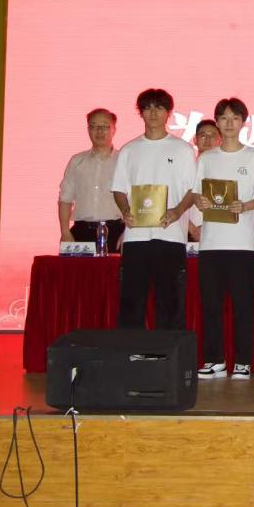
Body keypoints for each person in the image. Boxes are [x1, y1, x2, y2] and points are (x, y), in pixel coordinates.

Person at [110, 89, 196, 330]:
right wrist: (125, 210)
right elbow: (118, 189)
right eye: (147, 108)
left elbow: (193, 190)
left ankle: (168, 353)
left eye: (159, 107)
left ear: (169, 112)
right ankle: (130, 351)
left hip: (171, 236)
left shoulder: (183, 149)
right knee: (131, 305)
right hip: (136, 237)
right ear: (141, 113)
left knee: (170, 305)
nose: (153, 113)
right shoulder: (129, 149)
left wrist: (177, 211)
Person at [193, 98, 254, 381]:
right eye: (224, 118)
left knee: (243, 306)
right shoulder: (207, 158)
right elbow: (196, 194)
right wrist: (200, 201)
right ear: (217, 122)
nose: (229, 123)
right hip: (211, 242)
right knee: (211, 305)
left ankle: (243, 361)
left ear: (244, 122)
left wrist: (245, 206)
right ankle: (215, 360)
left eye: (235, 118)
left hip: (242, 243)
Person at [58, 108, 123, 252]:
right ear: (88, 130)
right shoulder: (77, 161)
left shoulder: (124, 161)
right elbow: (65, 199)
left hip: (117, 232)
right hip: (81, 233)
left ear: (114, 130)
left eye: (104, 126)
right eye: (94, 126)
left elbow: (134, 200)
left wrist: (128, 233)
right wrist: (65, 232)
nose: (99, 131)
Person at [187, 119, 221, 242]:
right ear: (195, 140)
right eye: (203, 135)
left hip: (219, 232)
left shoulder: (226, 169)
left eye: (213, 135)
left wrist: (210, 227)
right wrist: (191, 228)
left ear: (220, 140)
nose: (208, 139)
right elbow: (175, 200)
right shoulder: (185, 168)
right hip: (188, 232)